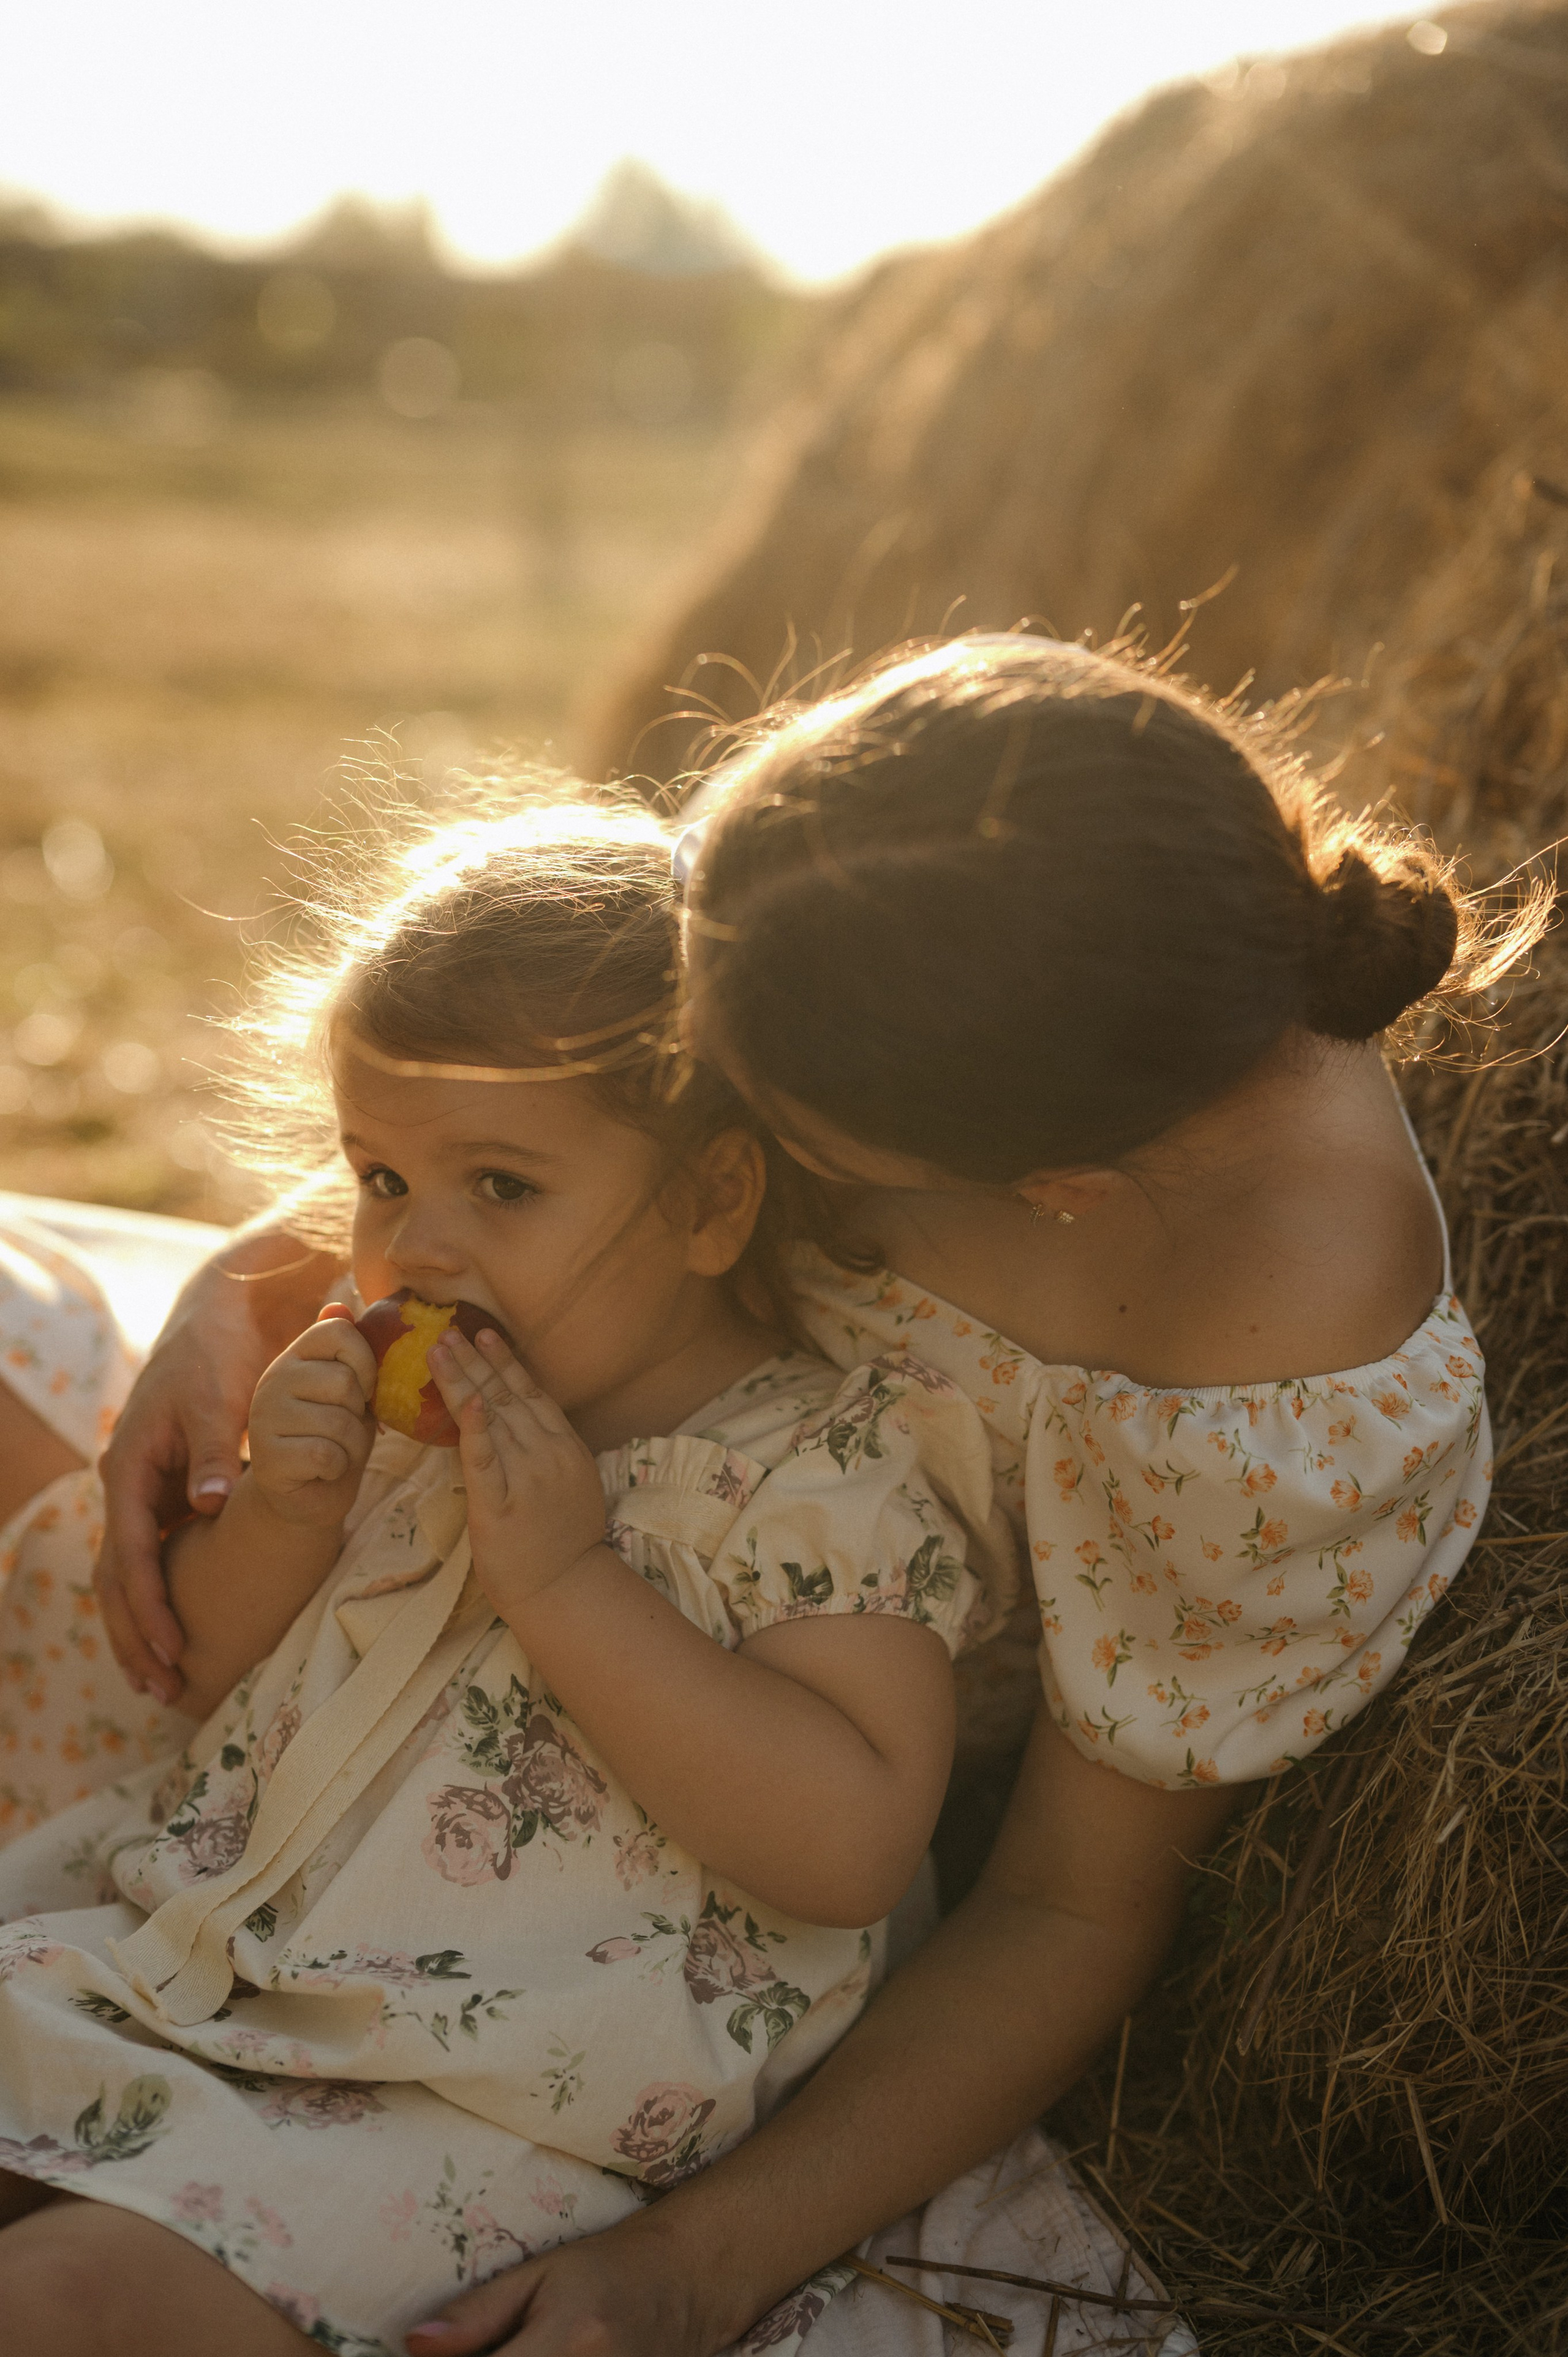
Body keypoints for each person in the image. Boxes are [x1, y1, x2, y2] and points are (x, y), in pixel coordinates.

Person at [86, 636, 1524, 2357]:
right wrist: (235, 1291)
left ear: (1041, 1190)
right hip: (420, 1611)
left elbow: (1067, 1904)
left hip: (660, 1810)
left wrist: (697, 2267)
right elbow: (532, 1131)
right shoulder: (940, 871)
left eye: (766, 1127)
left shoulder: (1267, 1397)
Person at [0, 791, 1014, 2356]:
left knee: (74, 2305)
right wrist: (281, 1508)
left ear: (711, 1202)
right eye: (381, 1177)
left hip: (485, 2108)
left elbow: (850, 1843)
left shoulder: (815, 1468)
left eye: (502, 1187)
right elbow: (188, 1677)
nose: (412, 1253)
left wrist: (570, 1583)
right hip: (195, 1974)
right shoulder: (398, 1419)